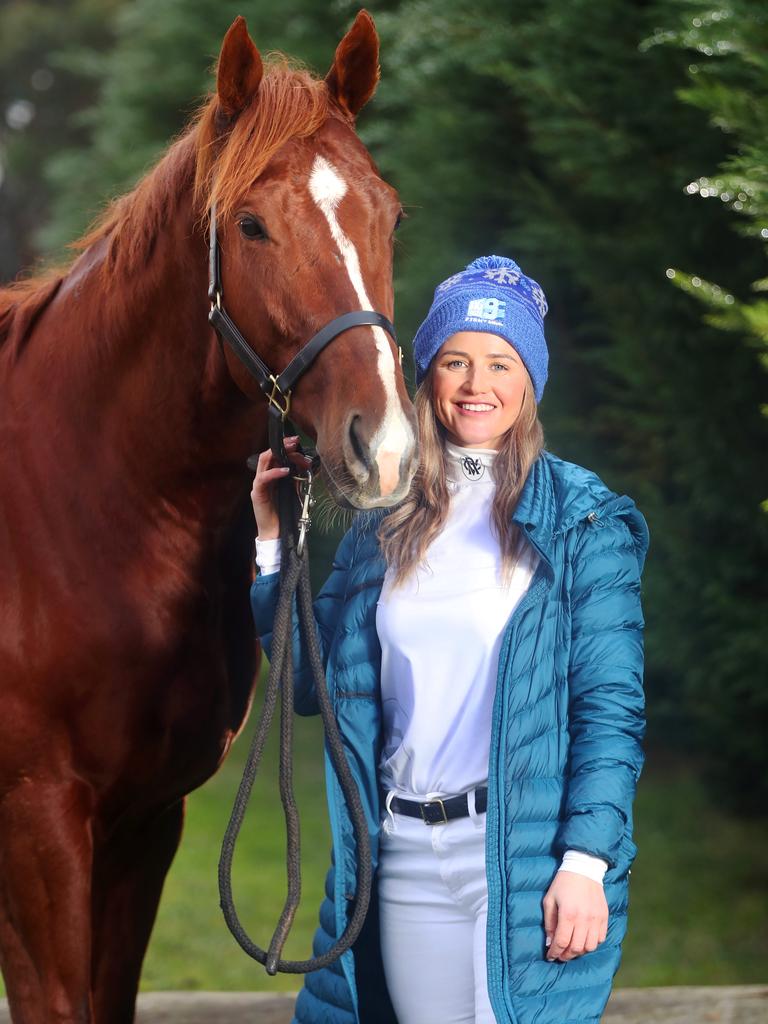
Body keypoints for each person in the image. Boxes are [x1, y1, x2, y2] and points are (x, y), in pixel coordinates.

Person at [250, 255, 648, 1024]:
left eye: (501, 363)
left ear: (528, 381)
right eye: (457, 361)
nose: (477, 384)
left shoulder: (584, 523)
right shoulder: (383, 523)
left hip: (519, 861)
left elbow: (610, 716)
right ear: (427, 375)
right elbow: (308, 686)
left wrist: (586, 863)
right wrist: (274, 543)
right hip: (401, 859)